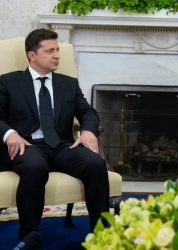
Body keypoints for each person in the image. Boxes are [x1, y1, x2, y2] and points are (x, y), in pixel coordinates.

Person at [0, 29, 109, 240]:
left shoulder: (68, 83)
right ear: (32, 55)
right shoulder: (8, 82)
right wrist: (10, 133)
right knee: (35, 167)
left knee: (95, 164)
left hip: (61, 146)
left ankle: (103, 234)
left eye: (58, 50)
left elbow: (88, 112)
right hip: (27, 145)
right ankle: (28, 236)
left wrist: (87, 131)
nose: (57, 55)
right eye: (50, 51)